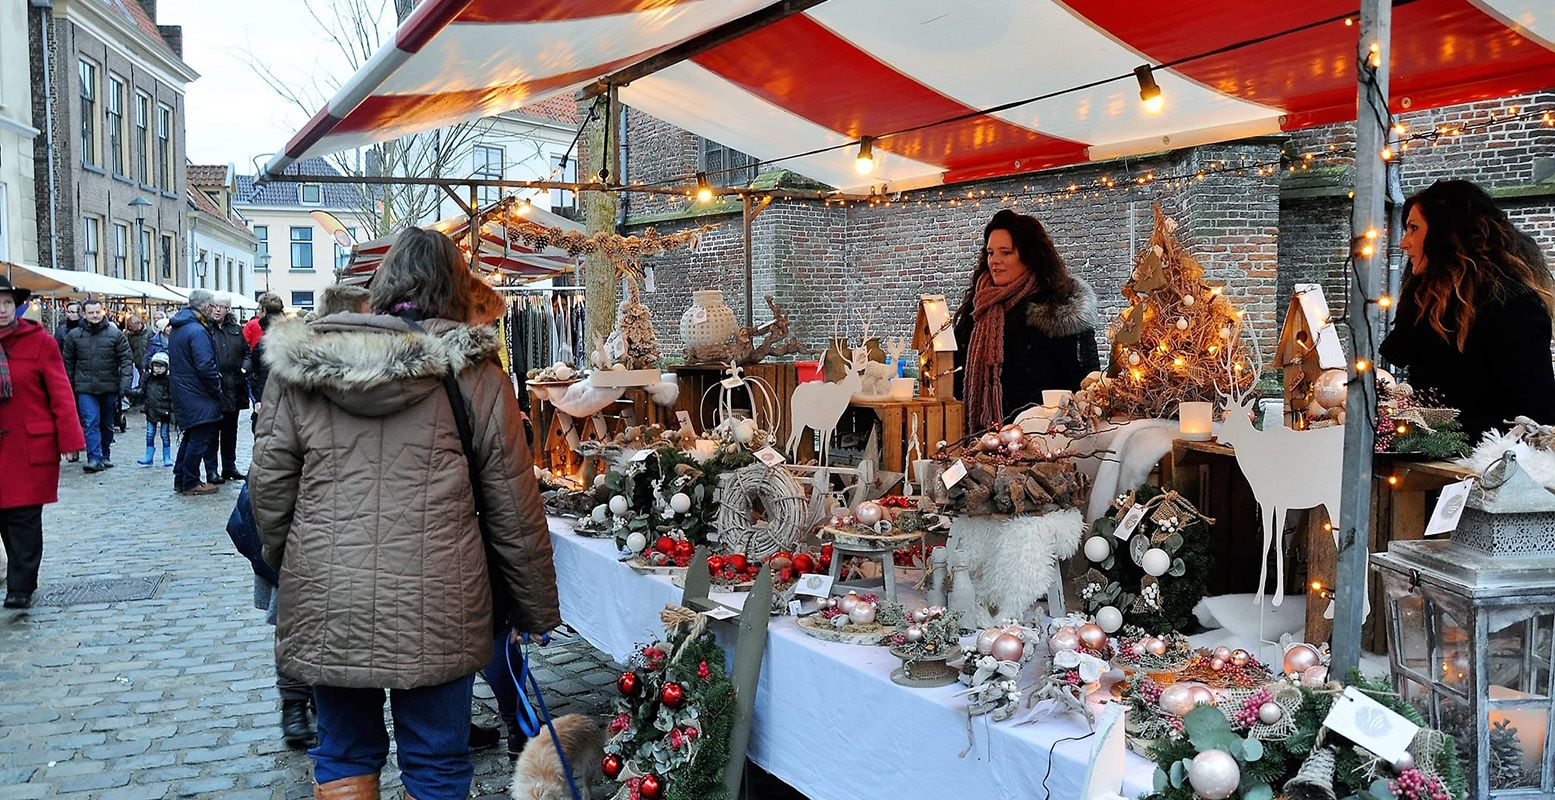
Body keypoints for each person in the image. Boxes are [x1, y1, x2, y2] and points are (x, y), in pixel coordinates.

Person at [250, 227, 560, 800]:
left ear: (382, 284)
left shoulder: (303, 370)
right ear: (458, 290)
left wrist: (293, 564)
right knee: (437, 760)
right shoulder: (477, 377)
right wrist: (536, 608)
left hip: (327, 594)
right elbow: (514, 511)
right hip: (439, 596)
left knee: (342, 751)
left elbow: (268, 495)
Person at [1381, 179, 1555, 440]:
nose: (1403, 243)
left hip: (1488, 464)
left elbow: (1537, 414)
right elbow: (1399, 358)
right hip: (1429, 458)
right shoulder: (1424, 303)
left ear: (1446, 235)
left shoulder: (1514, 306)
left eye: (1414, 229)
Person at [953, 209, 1100, 431]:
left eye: (1006, 252)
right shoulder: (979, 307)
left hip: (1040, 439)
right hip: (978, 439)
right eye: (991, 253)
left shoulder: (1058, 311)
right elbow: (956, 374)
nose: (995, 261)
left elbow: (1082, 387)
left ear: (1030, 256)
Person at [0, 278, 86, 608]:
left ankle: (21, 585)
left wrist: (70, 440)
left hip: (27, 445)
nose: (3, 310)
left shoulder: (39, 342)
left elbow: (61, 394)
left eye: (8, 303)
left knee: (23, 517)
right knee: (4, 519)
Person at [61, 299, 132, 472]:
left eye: (97, 312)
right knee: (90, 421)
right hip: (85, 387)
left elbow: (126, 359)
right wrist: (68, 386)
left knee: (106, 423)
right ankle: (94, 457)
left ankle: (105, 454)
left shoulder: (115, 335)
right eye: (90, 312)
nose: (94, 315)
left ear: (103, 312)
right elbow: (68, 363)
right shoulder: (74, 335)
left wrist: (124, 383)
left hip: (109, 386)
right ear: (84, 314)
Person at [167, 289, 223, 496]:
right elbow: (205, 365)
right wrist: (216, 388)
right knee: (199, 438)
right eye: (212, 305)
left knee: (191, 435)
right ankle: (190, 481)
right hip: (198, 392)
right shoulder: (197, 330)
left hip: (184, 389)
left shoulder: (181, 327)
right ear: (205, 306)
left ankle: (180, 478)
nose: (214, 309)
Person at [204, 294, 249, 483]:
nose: (217, 309)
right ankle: (211, 470)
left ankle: (229, 466)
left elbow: (247, 352)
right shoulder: (205, 329)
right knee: (213, 432)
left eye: (221, 306)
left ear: (227, 310)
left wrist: (245, 367)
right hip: (214, 388)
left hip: (234, 386)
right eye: (214, 306)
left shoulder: (236, 330)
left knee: (231, 431)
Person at [137, 352, 174, 467]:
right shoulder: (148, 379)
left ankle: (166, 457)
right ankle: (149, 455)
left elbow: (173, 397)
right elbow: (143, 392)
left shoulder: (168, 380)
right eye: (156, 366)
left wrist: (173, 413)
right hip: (151, 410)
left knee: (164, 434)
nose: (158, 369)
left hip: (164, 412)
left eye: (161, 366)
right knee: (150, 433)